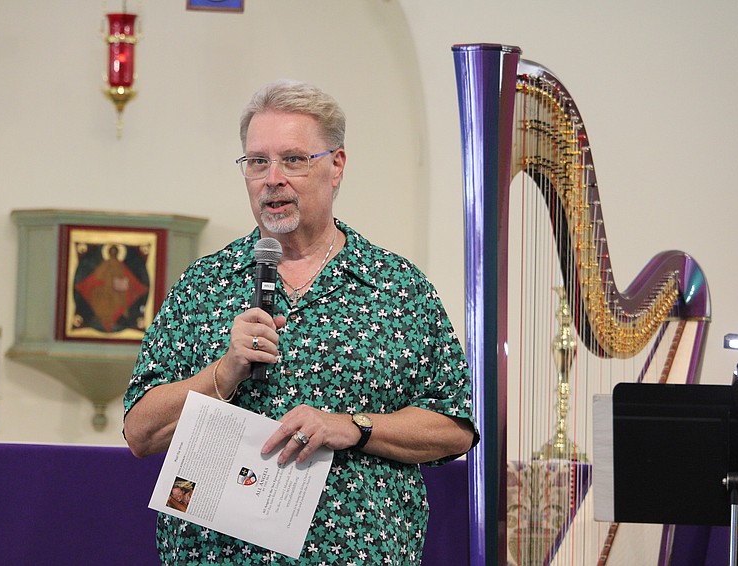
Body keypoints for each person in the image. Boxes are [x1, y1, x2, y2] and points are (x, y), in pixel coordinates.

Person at [123, 79, 478, 565]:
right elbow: (140, 433)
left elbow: (454, 427)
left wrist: (354, 426)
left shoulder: (396, 287)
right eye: (257, 162)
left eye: (293, 160)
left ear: (337, 166)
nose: (273, 178)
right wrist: (222, 374)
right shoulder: (203, 285)